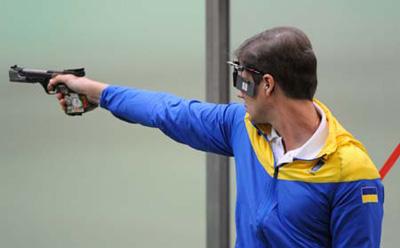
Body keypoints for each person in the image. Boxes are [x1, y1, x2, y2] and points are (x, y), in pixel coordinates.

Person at [48, 26, 384, 247]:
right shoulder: (245, 127)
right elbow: (169, 111)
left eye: (243, 81)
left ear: (267, 85)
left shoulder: (353, 174)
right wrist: (97, 93)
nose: (239, 93)